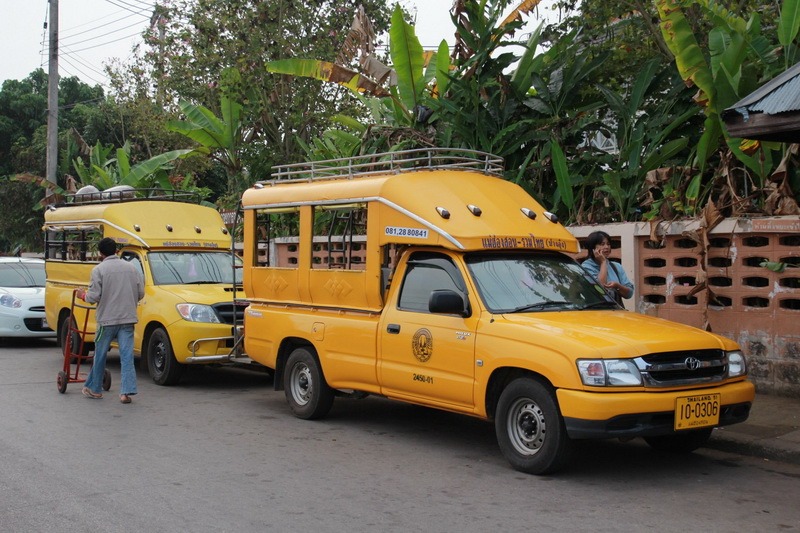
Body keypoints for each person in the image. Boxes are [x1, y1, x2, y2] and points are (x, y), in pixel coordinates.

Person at [77, 238, 144, 404]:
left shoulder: (98, 270)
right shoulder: (132, 268)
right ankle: (125, 393)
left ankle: (95, 389)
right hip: (128, 319)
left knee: (100, 355)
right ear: (116, 251)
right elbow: (141, 293)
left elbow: (93, 297)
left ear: (100, 253)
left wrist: (82, 295)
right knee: (127, 356)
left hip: (106, 321)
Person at [582, 231, 634, 305]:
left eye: (608, 244)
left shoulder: (616, 267)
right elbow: (600, 289)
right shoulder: (586, 267)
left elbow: (629, 294)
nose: (606, 247)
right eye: (602, 244)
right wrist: (603, 263)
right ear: (593, 248)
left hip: (614, 313)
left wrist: (618, 286)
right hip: (595, 312)